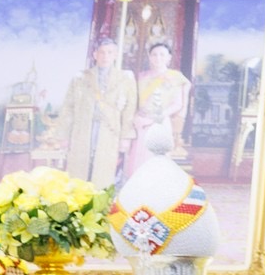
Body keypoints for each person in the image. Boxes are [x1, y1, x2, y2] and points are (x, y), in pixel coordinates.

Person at [58, 36, 135, 186]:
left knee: (103, 170)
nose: (105, 56)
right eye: (102, 52)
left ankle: (100, 196)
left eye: (110, 52)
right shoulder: (80, 78)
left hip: (109, 130)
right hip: (83, 128)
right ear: (95, 54)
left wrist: (125, 137)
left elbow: (129, 110)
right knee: (79, 169)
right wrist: (63, 135)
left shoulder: (125, 78)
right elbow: (68, 107)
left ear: (115, 55)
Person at [129, 39, 192, 171]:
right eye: (154, 54)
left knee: (156, 159)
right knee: (138, 159)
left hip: (160, 121)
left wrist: (155, 117)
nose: (158, 58)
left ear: (169, 57)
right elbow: (133, 100)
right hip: (141, 122)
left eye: (162, 54)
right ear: (149, 57)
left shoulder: (175, 77)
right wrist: (136, 117)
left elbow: (177, 104)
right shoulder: (141, 77)